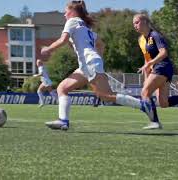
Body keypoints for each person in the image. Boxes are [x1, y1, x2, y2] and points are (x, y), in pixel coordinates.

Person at [41, 1, 159, 130]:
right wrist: (98, 59)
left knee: (105, 95)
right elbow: (101, 44)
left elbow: (62, 40)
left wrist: (49, 49)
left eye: (66, 11)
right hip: (87, 64)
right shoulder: (85, 28)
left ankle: (143, 105)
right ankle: (63, 121)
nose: (64, 14)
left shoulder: (72, 21)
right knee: (62, 88)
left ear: (73, 12)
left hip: (89, 63)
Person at [134, 13, 178, 128]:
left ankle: (155, 122)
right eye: (133, 24)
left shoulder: (155, 35)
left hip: (163, 66)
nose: (135, 25)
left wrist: (151, 63)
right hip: (157, 68)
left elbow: (164, 52)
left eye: (137, 22)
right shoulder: (141, 40)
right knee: (163, 103)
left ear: (145, 22)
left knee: (145, 93)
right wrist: (147, 74)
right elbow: (147, 60)